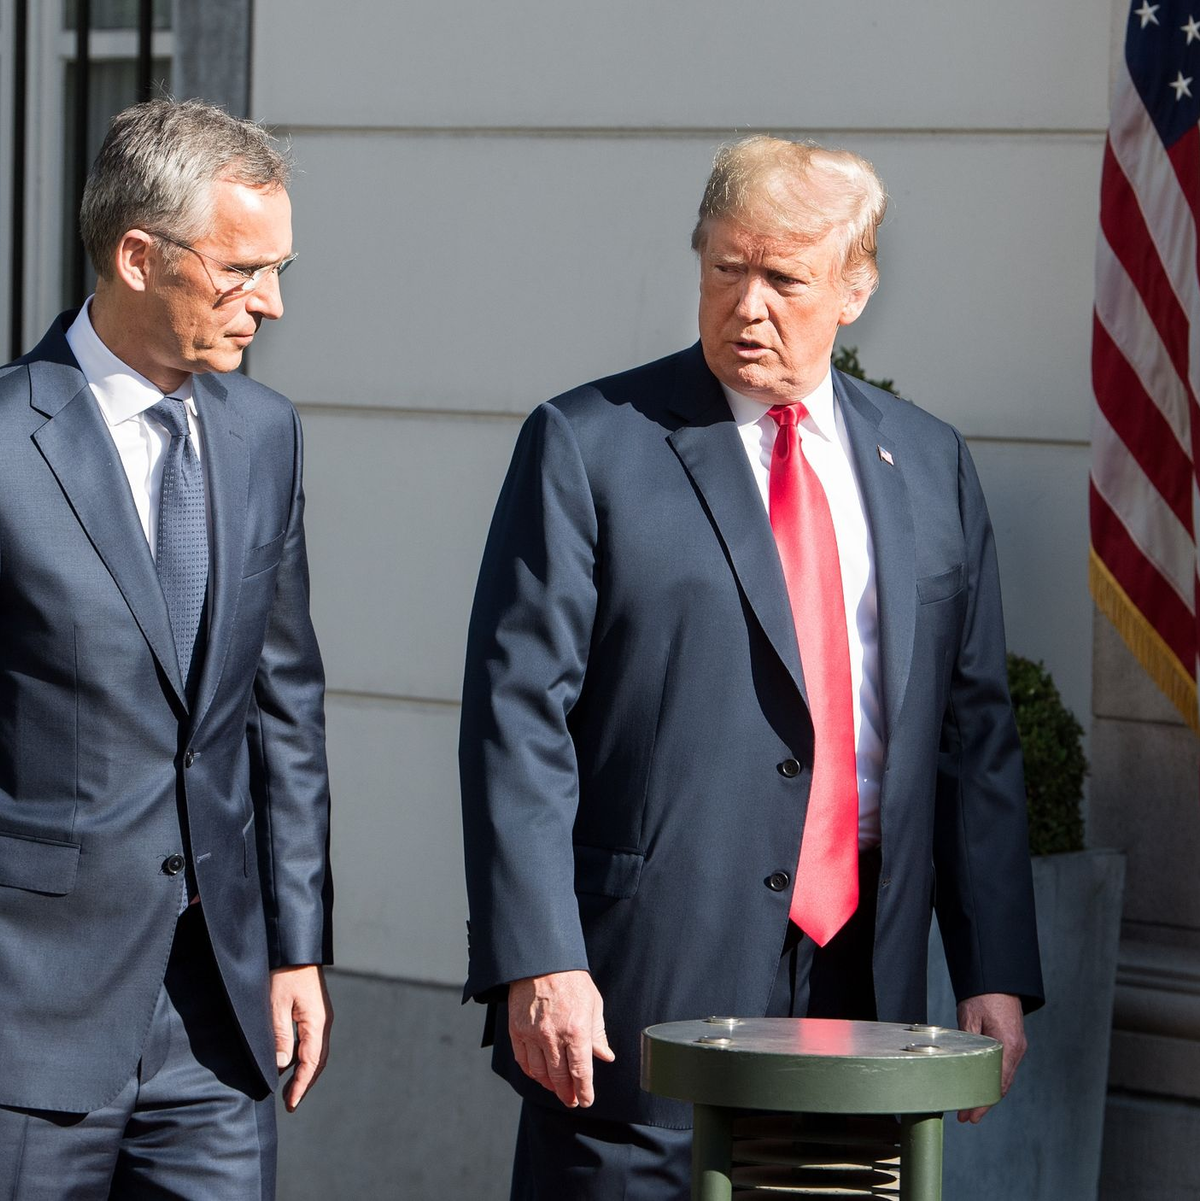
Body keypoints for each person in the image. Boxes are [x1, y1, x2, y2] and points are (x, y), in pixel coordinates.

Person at [460, 134, 1044, 1198]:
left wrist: (995, 968)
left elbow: (974, 735)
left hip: (863, 973)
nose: (748, 304)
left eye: (784, 278)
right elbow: (516, 722)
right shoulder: (590, 445)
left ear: (855, 288)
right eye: (725, 269)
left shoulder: (925, 462)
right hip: (641, 985)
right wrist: (541, 956)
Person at [0, 99, 332, 1199]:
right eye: (243, 269)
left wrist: (297, 945)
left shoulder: (265, 434)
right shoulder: (7, 442)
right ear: (140, 257)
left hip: (219, 1023)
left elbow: (284, 708)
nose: (270, 303)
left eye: (278, 267)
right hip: (26, 1019)